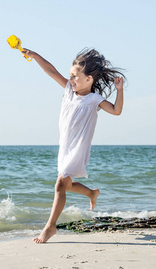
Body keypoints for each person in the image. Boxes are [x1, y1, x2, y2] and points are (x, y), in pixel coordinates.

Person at [22, 47, 126, 244]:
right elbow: (51, 71)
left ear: (89, 79)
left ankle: (50, 227)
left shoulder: (94, 99)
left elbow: (116, 111)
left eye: (75, 77)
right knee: (66, 184)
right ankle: (91, 193)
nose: (71, 80)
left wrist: (119, 91)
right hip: (65, 146)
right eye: (70, 75)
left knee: (60, 183)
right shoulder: (69, 91)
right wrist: (35, 55)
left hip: (78, 148)